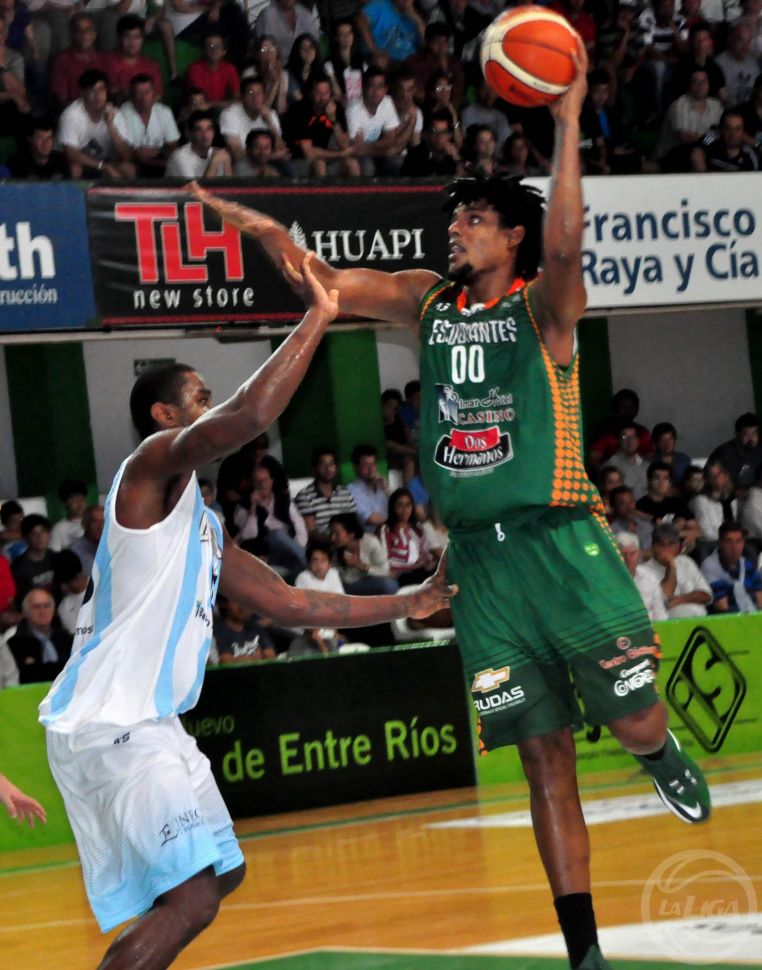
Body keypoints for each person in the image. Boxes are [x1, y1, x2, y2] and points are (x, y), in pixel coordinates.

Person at [189, 40, 710, 970]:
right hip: (479, 564)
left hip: (561, 541)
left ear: (512, 240)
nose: (457, 228)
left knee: (636, 722)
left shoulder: (545, 309)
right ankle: (584, 952)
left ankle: (659, 752)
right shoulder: (427, 303)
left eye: (476, 219)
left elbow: (567, 244)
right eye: (457, 216)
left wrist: (565, 123)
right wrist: (260, 226)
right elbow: (325, 283)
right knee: (543, 760)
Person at [38, 256, 455, 968]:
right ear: (165, 417)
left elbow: (291, 601)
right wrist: (320, 315)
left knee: (222, 876)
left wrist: (412, 601)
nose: (212, 406)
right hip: (113, 723)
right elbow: (249, 416)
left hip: (151, 724)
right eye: (200, 397)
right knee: (193, 899)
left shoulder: (203, 526)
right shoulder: (147, 468)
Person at [642, 522, 712, 618]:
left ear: (677, 546)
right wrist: (671, 566)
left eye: (671, 544)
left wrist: (682, 599)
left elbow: (707, 595)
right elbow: (664, 599)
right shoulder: (644, 571)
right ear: (653, 547)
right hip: (669, 623)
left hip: (699, 622)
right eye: (662, 545)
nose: (666, 549)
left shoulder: (686, 562)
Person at [8, 588, 72, 684]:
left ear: (53, 610)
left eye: (47, 606)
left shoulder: (67, 639)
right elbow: (26, 676)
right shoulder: (15, 645)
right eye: (36, 607)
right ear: (25, 613)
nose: (42, 611)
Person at [295, 447, 358, 540]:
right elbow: (311, 532)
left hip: (346, 541)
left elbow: (353, 523)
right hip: (323, 543)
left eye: (331, 464)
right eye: (323, 464)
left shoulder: (345, 492)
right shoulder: (305, 496)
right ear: (315, 468)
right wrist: (334, 540)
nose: (328, 469)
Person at [329, 512, 398, 595]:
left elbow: (385, 571)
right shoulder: (334, 548)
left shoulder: (371, 542)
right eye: (331, 533)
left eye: (337, 533)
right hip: (345, 587)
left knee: (389, 585)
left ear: (351, 534)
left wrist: (360, 565)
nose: (332, 537)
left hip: (369, 583)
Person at [378, 486, 436, 586]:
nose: (405, 509)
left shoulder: (417, 529)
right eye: (400, 505)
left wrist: (429, 562)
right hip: (401, 574)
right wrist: (414, 566)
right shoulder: (385, 530)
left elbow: (426, 552)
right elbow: (386, 561)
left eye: (408, 505)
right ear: (393, 507)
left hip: (420, 570)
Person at [701, 519, 762, 612]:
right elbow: (722, 607)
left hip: (754, 616)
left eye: (738, 541)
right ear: (720, 543)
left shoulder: (747, 564)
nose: (734, 547)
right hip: (729, 617)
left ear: (743, 543)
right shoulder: (710, 566)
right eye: (729, 541)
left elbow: (760, 598)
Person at [165, 109, 232, 177]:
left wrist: (225, 161)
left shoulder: (220, 154)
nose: (205, 135)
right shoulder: (180, 157)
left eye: (209, 129)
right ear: (190, 133)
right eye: (199, 130)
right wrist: (214, 162)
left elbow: (229, 183)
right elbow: (195, 184)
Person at [617, 532, 668, 621]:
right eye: (623, 554)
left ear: (638, 554)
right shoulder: (605, 581)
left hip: (651, 627)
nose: (628, 559)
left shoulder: (650, 577)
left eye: (632, 553)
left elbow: (660, 614)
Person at [347, 443, 389, 533]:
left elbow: (398, 506)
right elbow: (371, 519)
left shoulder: (381, 485)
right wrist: (395, 520)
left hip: (389, 533)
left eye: (373, 464)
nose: (371, 469)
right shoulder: (352, 489)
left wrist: (386, 488)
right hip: (370, 536)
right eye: (365, 465)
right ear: (355, 467)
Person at [50, 478, 87, 552]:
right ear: (64, 504)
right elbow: (54, 554)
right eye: (74, 500)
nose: (80, 504)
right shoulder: (59, 528)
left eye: (82, 499)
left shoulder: (96, 522)